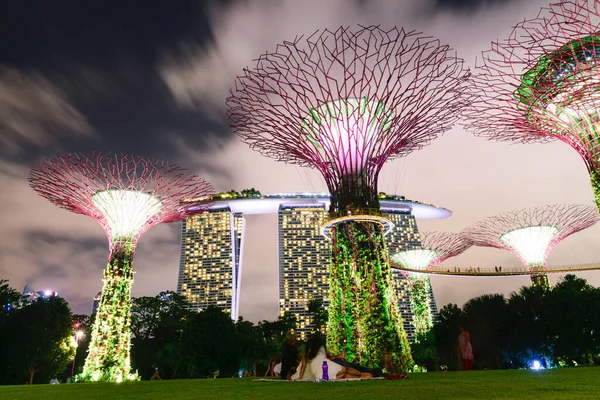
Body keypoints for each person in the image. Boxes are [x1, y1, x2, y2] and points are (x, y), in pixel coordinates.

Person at [292, 334, 372, 380]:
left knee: (343, 376)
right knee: (345, 370)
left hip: (318, 374)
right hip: (327, 366)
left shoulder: (308, 352)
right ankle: (361, 374)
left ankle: (360, 377)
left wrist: (300, 377)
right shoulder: (322, 348)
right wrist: (338, 356)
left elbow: (303, 365)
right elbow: (329, 357)